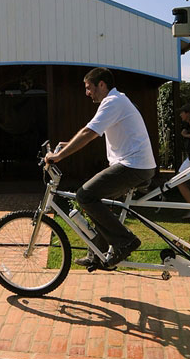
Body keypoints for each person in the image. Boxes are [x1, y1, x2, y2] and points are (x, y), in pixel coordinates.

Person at [44, 68, 156, 269]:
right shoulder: (117, 101)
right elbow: (92, 132)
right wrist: (68, 144)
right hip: (135, 165)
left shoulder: (113, 102)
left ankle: (125, 241)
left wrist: (59, 156)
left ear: (101, 84)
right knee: (98, 202)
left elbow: (89, 132)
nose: (87, 93)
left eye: (89, 88)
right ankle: (97, 254)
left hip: (133, 166)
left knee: (85, 195)